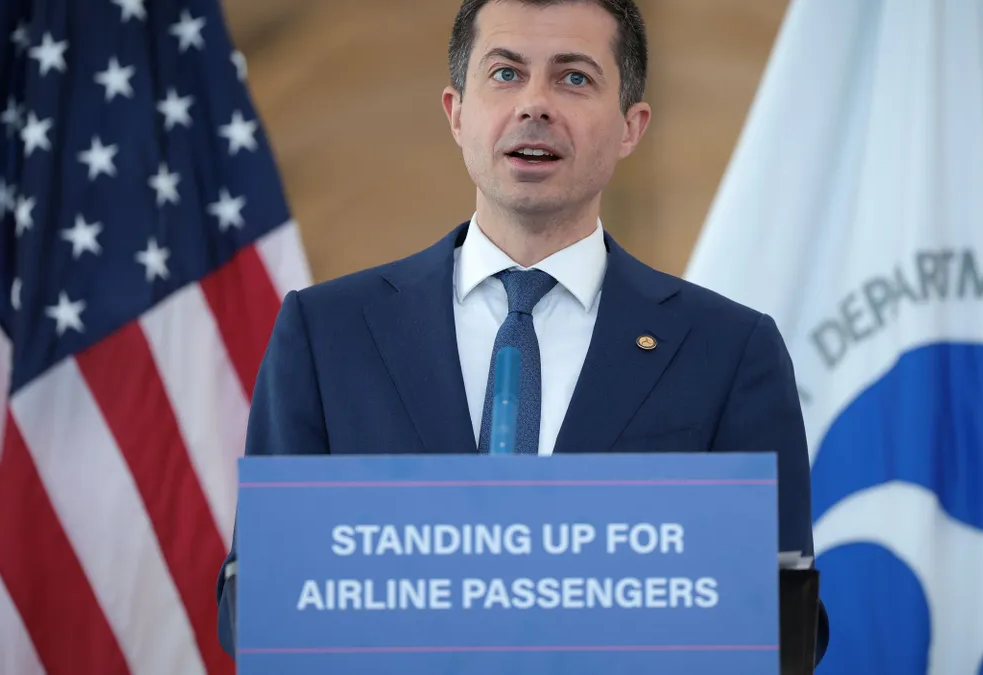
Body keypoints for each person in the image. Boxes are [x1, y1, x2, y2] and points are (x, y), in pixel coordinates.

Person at [216, 0, 827, 664]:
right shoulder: (325, 334)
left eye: (574, 78)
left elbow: (779, 626)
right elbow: (256, 609)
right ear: (455, 111)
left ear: (631, 125)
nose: (535, 104)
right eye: (505, 74)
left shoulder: (730, 352)